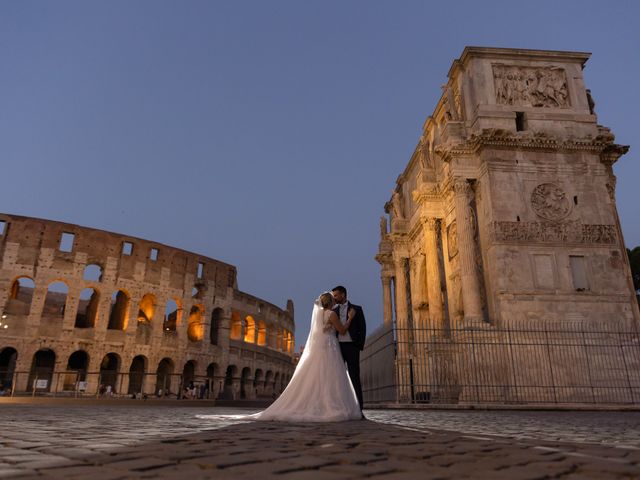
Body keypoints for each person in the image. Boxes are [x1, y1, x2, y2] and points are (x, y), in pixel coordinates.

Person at [250, 292, 362, 422]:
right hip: (330, 345)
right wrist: (350, 318)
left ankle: (318, 403)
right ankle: (329, 404)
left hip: (321, 346)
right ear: (330, 302)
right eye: (333, 300)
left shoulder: (319, 315)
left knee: (320, 375)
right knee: (331, 375)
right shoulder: (331, 314)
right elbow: (342, 330)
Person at [331, 285, 366, 416]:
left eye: (336, 295)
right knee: (339, 377)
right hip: (337, 347)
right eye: (333, 296)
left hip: (352, 347)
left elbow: (362, 328)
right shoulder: (333, 311)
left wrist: (359, 346)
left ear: (343, 295)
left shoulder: (357, 309)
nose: (334, 298)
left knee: (354, 376)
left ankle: (359, 409)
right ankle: (340, 407)